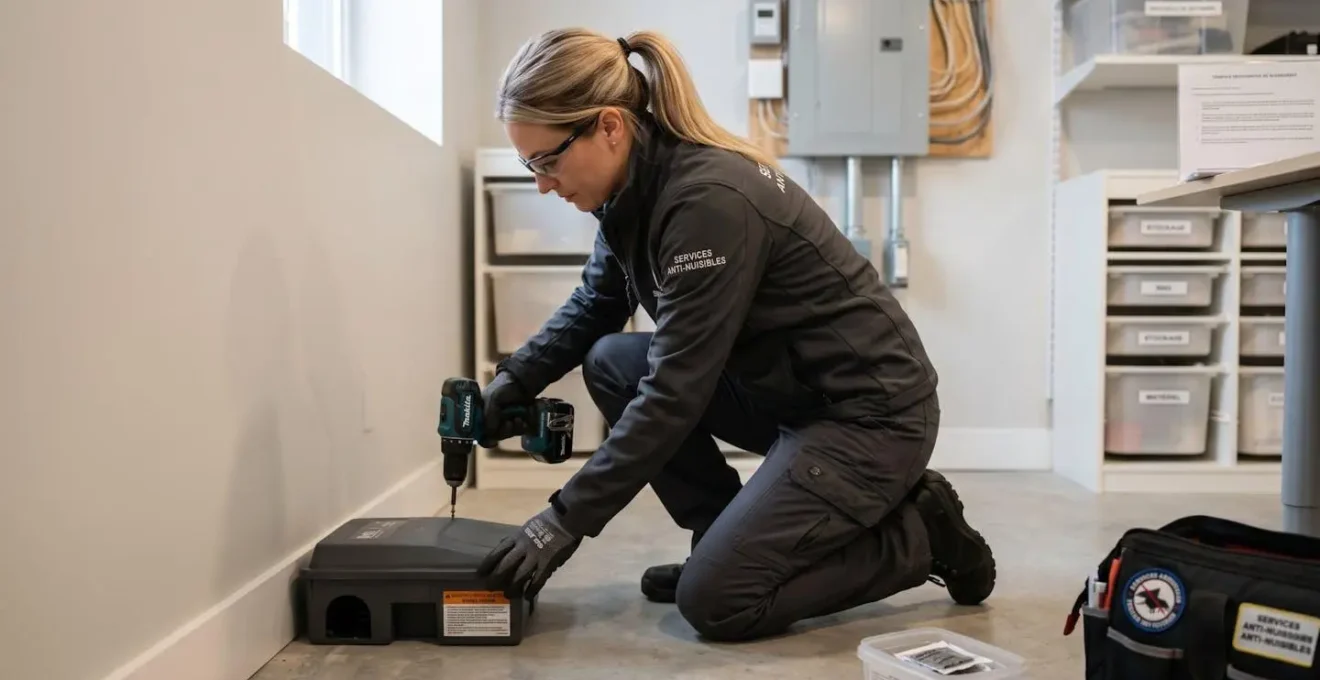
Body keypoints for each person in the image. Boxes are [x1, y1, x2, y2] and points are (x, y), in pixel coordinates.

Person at [475, 27, 995, 643]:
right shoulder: (630, 191)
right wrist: (512, 381)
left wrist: (561, 522)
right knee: (613, 361)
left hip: (869, 419)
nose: (541, 182)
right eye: (527, 164)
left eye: (547, 160)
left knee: (719, 601)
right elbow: (597, 302)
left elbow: (674, 394)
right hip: (788, 392)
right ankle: (721, 534)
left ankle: (922, 535)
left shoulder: (706, 202)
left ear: (609, 126)